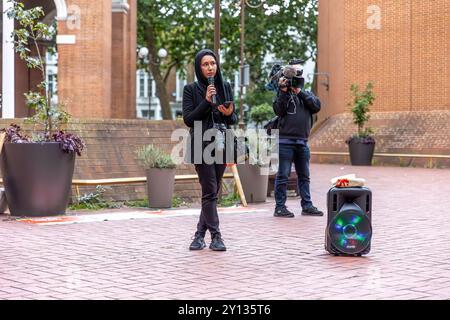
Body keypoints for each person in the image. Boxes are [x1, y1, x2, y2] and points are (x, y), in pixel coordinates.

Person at [182, 49, 237, 251]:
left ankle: (198, 235)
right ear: (199, 67)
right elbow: (188, 119)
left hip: (222, 143)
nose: (210, 67)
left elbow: (233, 119)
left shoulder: (226, 86)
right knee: (210, 190)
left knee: (212, 192)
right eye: (205, 64)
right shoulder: (191, 89)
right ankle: (216, 236)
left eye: (212, 63)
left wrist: (230, 113)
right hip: (201, 144)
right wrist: (206, 101)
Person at [273, 59, 324, 218]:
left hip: (302, 143)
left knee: (304, 176)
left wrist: (299, 92)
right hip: (285, 143)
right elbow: (279, 111)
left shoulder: (306, 94)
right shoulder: (282, 94)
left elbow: (316, 106)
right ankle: (280, 207)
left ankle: (307, 206)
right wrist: (283, 91)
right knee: (283, 175)